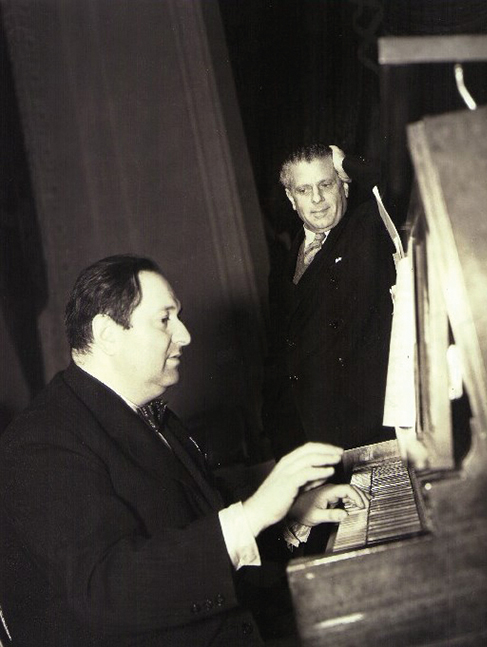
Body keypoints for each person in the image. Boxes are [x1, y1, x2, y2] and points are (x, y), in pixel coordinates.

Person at [0, 254, 368, 647]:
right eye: (165, 320)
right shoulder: (42, 439)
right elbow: (107, 590)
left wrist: (290, 514)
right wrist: (254, 513)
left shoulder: (146, 414)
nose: (185, 335)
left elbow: (198, 523)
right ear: (107, 333)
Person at [263, 144, 396, 460]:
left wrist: (348, 163)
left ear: (344, 186)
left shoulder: (368, 228)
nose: (317, 199)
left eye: (325, 184)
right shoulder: (282, 266)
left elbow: (396, 187)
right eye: (304, 190)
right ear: (291, 198)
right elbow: (280, 358)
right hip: (315, 438)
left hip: (372, 432)